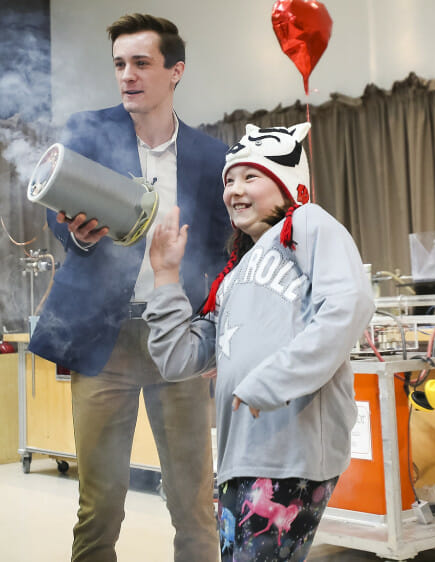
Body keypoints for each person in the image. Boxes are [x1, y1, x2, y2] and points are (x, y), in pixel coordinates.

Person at [29, 13, 228, 561]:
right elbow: (56, 222)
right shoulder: (87, 133)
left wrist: (213, 335)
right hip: (104, 340)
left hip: (178, 342)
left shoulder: (213, 158)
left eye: (142, 63)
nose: (127, 75)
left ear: (175, 71)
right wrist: (80, 235)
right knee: (101, 505)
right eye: (119, 64)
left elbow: (221, 255)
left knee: (195, 504)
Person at [144, 122, 374, 561]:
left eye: (251, 176)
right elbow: (178, 359)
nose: (234, 189)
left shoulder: (307, 223)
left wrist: (269, 381)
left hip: (290, 453)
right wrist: (165, 276)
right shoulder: (234, 274)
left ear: (289, 186)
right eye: (229, 180)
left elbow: (349, 305)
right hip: (240, 456)